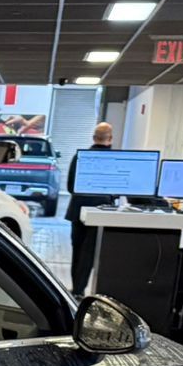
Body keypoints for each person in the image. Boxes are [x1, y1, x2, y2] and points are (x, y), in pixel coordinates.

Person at [66, 122, 114, 295]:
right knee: (89, 254)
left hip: (77, 210)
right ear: (111, 139)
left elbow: (71, 186)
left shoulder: (80, 157)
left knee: (77, 252)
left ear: (94, 138)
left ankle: (76, 289)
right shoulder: (116, 159)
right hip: (101, 212)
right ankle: (80, 289)